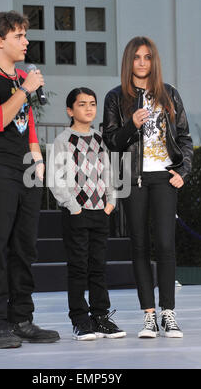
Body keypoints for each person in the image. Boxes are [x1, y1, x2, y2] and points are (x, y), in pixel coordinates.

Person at [0, 11, 60, 349]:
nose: (26, 41)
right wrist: (25, 89)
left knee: (25, 249)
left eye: (25, 35)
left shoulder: (21, 76)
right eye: (19, 36)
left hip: (25, 170)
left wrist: (38, 157)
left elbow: (27, 121)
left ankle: (21, 319)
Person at [103, 37, 193, 339]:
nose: (142, 63)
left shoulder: (170, 95)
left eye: (148, 57)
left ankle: (169, 312)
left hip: (164, 179)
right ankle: (149, 316)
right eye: (137, 57)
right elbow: (111, 141)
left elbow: (184, 138)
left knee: (166, 245)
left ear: (154, 61)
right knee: (139, 246)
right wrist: (131, 124)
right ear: (129, 61)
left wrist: (183, 170)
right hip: (134, 179)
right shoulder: (116, 97)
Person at [48, 87, 126, 341]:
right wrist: (74, 206)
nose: (89, 108)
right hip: (76, 213)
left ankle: (101, 317)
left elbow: (109, 172)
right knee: (78, 267)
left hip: (101, 211)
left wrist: (111, 202)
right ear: (70, 110)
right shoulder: (63, 140)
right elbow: (55, 178)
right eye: (82, 104)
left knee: (98, 267)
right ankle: (81, 320)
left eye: (92, 103)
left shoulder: (101, 139)